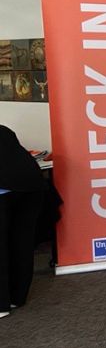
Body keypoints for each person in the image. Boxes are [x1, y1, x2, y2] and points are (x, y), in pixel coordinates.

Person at [0, 125, 47, 319]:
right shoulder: (3, 130)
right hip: (32, 187)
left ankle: (1, 305)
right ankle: (17, 297)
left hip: (5, 189)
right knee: (22, 241)